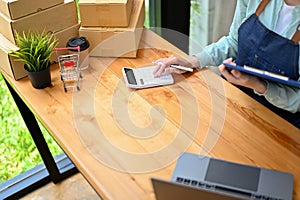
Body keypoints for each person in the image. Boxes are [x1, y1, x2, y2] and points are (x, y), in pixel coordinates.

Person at [153, 0, 300, 129]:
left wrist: (259, 85)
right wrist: (192, 61)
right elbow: (234, 42)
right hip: (238, 97)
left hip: (283, 120)